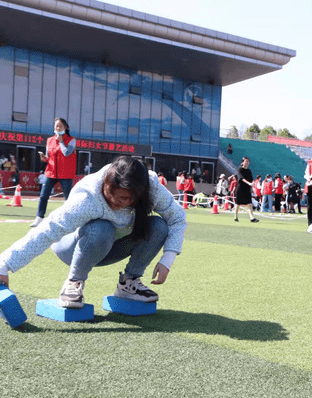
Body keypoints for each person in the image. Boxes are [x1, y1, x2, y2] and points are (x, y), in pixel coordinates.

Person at [0, 156, 187, 308]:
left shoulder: (151, 187)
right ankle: (74, 282)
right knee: (101, 228)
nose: (116, 201)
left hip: (112, 246)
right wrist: (4, 264)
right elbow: (47, 231)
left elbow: (177, 218)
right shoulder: (87, 197)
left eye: (125, 198)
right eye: (110, 193)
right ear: (106, 183)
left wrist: (167, 259)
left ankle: (129, 284)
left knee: (158, 226)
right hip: (72, 247)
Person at [31, 118, 77, 228]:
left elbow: (66, 153)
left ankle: (71, 219)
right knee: (43, 196)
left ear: (65, 127)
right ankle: (39, 218)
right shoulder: (49, 140)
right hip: (50, 172)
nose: (57, 128)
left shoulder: (71, 140)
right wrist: (44, 158)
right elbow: (49, 157)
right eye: (56, 126)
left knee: (68, 198)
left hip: (65, 173)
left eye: (60, 126)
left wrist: (61, 141)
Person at [233, 157, 259, 223]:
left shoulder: (249, 171)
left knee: (249, 204)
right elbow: (241, 178)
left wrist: (252, 183)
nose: (247, 162)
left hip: (247, 189)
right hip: (240, 188)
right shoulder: (240, 170)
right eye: (246, 161)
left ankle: (252, 218)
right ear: (242, 162)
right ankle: (235, 216)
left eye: (248, 161)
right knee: (238, 204)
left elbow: (251, 179)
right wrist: (249, 183)